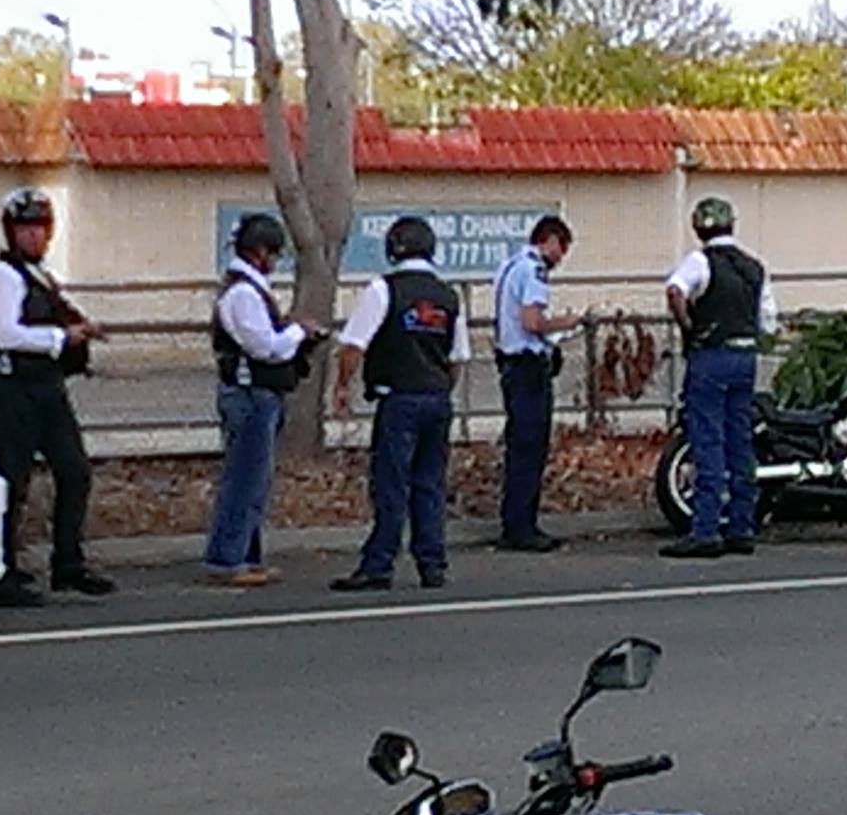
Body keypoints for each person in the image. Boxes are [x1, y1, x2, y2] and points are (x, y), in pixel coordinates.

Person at [0, 186, 116, 601]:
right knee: (10, 480)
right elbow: (4, 333)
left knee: (75, 471)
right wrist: (60, 336)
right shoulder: (2, 277)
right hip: (11, 390)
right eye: (24, 228)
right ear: (10, 232)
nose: (33, 236)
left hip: (47, 388)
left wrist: (81, 329)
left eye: (40, 227)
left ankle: (68, 563)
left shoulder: (40, 277)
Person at [329, 216, 471, 592]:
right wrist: (440, 388)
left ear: (393, 248)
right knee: (429, 483)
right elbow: (458, 357)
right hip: (437, 397)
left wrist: (343, 385)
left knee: (391, 484)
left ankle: (379, 564)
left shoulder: (382, 290)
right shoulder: (449, 296)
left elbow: (353, 345)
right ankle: (432, 564)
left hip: (398, 397)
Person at [203, 213, 325, 588]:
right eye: (273, 253)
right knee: (245, 477)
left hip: (258, 392)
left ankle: (246, 553)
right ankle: (228, 557)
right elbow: (265, 347)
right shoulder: (243, 294)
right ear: (259, 253)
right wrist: (296, 332)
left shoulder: (247, 290)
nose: (275, 262)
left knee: (255, 476)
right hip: (249, 392)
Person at [661, 197, 779, 559]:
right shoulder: (754, 267)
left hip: (711, 356)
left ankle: (706, 529)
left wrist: (690, 326)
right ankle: (742, 526)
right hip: (745, 357)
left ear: (699, 228)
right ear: (732, 225)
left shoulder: (700, 261)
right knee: (739, 440)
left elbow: (675, 290)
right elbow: (769, 320)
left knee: (707, 438)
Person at [492, 214, 586, 553]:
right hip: (528, 367)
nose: (561, 258)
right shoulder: (534, 271)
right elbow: (531, 321)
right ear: (548, 241)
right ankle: (522, 526)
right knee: (530, 448)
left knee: (520, 444)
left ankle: (515, 520)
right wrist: (567, 322)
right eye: (561, 248)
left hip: (510, 363)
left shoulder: (508, 266)